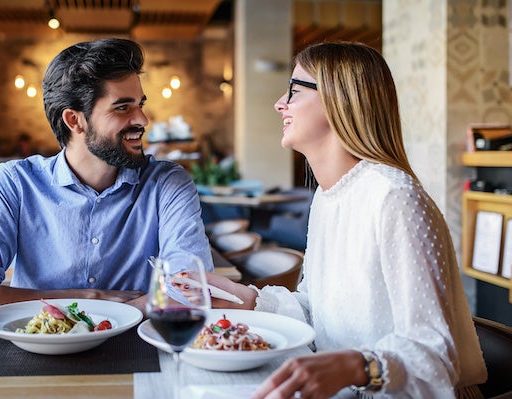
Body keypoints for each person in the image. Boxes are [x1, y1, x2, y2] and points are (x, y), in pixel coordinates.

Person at [199, 42, 487, 398]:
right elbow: (320, 313)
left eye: (293, 90)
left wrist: (355, 366)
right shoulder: (327, 196)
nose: (279, 103)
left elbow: (435, 356)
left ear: (339, 99)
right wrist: (252, 300)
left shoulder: (395, 198)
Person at [0, 38, 214, 330]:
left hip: (136, 352)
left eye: (140, 105)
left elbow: (194, 291)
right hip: (33, 358)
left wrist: (105, 312)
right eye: (123, 108)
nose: (143, 119)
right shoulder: (14, 184)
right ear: (75, 120)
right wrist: (90, 298)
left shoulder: (167, 183)